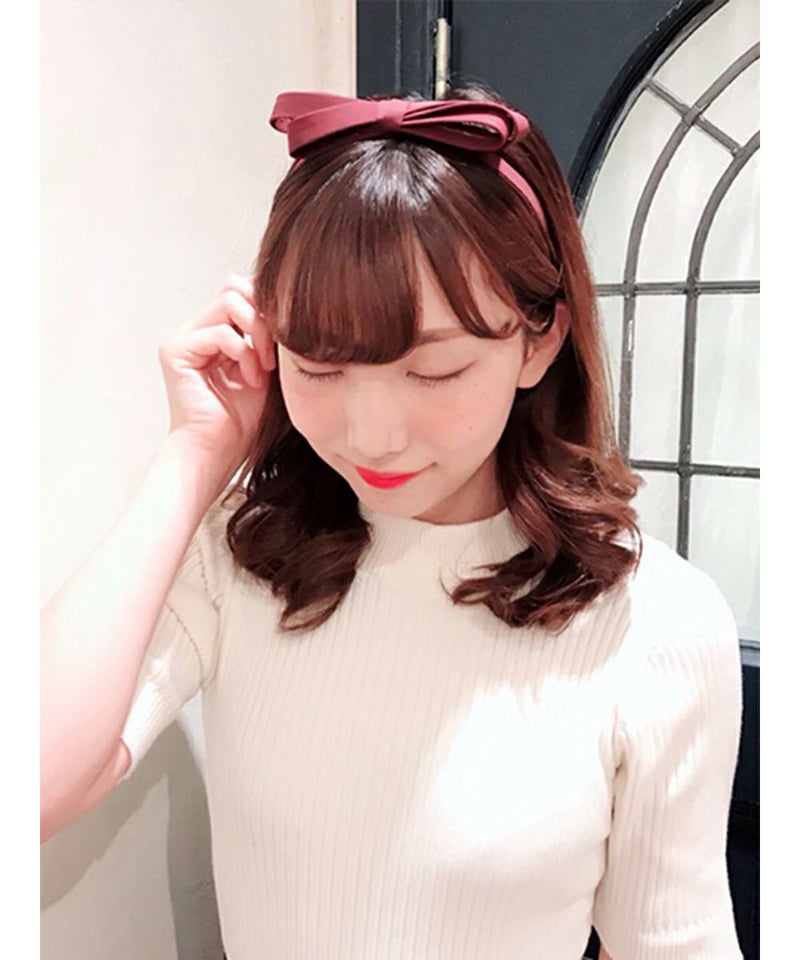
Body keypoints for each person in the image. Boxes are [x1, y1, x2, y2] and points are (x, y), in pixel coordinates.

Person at [41, 84, 743, 959]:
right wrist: (192, 457)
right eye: (319, 367)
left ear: (537, 340)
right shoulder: (243, 556)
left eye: (434, 373)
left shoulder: (656, 623)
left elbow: (673, 944)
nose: (371, 436)